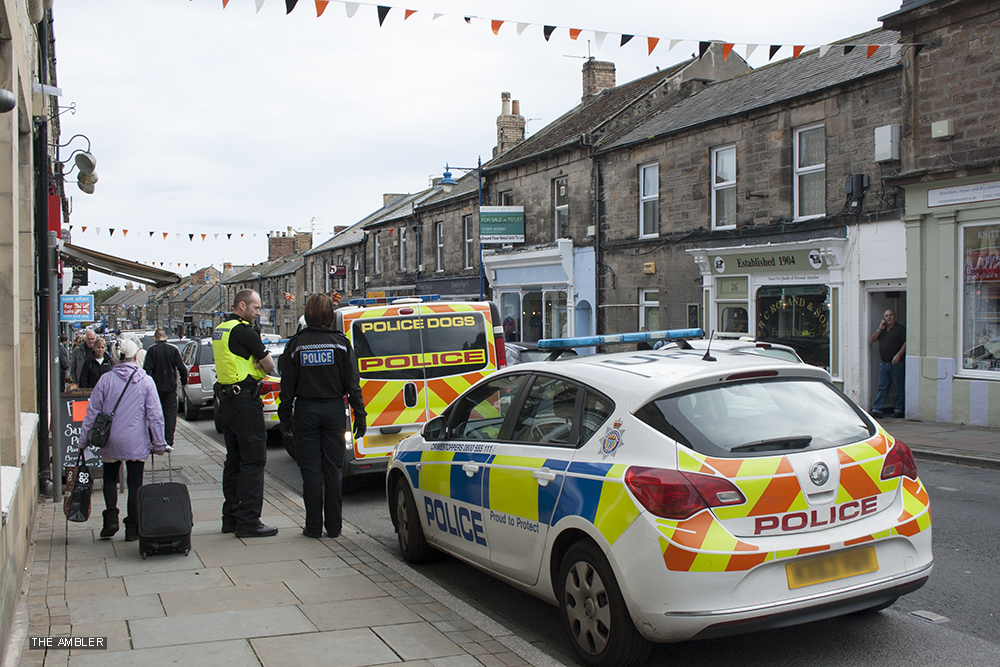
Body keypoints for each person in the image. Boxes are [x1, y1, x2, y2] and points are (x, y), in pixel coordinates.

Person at [278, 293, 366, 539]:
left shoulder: (295, 345)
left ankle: (313, 526)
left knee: (311, 472)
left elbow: (286, 389)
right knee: (333, 470)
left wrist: (285, 421)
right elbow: (353, 384)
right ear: (329, 314)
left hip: (305, 411)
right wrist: (360, 415)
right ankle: (335, 527)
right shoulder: (340, 344)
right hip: (334, 411)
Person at [78, 337, 167, 540]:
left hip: (109, 439)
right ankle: (133, 528)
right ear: (136, 356)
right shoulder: (145, 380)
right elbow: (155, 415)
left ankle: (110, 518)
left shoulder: (106, 379)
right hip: (135, 440)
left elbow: (92, 413)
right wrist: (159, 443)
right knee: (135, 482)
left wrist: (83, 441)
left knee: (110, 477)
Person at [212, 289, 278, 538]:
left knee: (234, 460)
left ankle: (230, 518)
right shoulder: (244, 330)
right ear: (242, 306)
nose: (258, 312)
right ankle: (249, 521)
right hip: (244, 401)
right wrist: (259, 363)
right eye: (256, 308)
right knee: (253, 460)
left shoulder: (221, 329)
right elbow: (270, 364)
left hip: (226, 401)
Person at [144, 329, 189, 449]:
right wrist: (183, 381)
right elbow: (182, 368)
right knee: (170, 415)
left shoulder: (152, 350)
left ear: (155, 338)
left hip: (156, 388)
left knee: (155, 414)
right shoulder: (173, 349)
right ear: (165, 338)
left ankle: (156, 439)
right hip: (170, 387)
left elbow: (146, 371)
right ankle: (169, 440)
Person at [870, 308, 906, 419]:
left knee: (898, 387)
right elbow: (872, 339)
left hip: (896, 363)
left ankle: (898, 409)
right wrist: (880, 329)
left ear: (895, 317)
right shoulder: (883, 330)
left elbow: (906, 343)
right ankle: (877, 409)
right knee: (882, 387)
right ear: (884, 319)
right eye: (886, 316)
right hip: (884, 364)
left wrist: (898, 356)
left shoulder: (900, 329)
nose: (889, 317)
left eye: (891, 315)